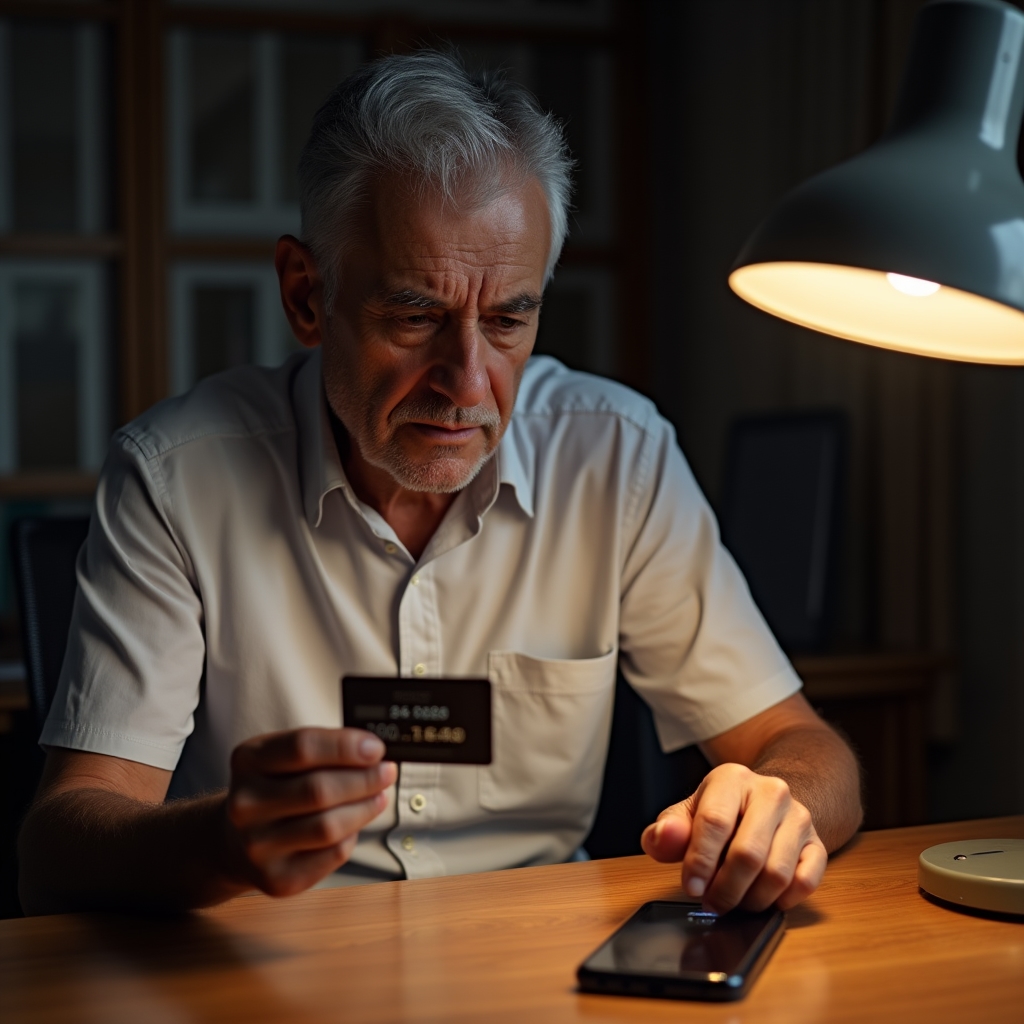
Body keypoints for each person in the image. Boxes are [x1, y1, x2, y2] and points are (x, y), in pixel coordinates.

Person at [18, 52, 861, 916]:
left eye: (507, 320)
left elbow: (801, 745)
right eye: (415, 315)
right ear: (308, 296)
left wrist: (778, 803)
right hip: (268, 960)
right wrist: (222, 840)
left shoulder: (617, 455)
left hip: (533, 964)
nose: (465, 381)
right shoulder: (177, 477)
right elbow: (60, 842)